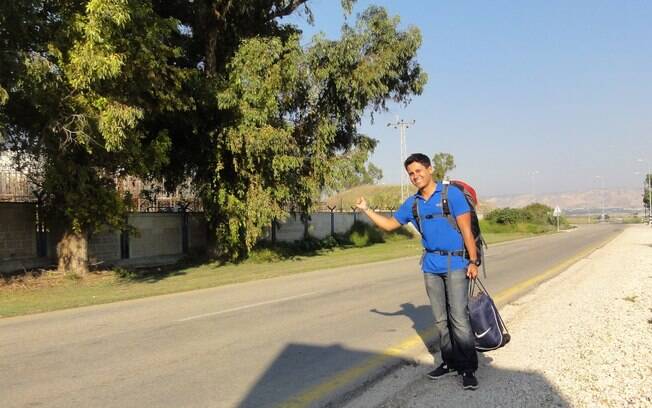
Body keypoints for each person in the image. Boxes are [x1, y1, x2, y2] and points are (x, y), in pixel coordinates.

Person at [355, 153, 480, 390]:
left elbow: (466, 230)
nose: (415, 176)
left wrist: (473, 261)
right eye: (411, 173)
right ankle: (449, 362)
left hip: (456, 263)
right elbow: (390, 225)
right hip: (431, 266)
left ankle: (468, 368)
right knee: (442, 320)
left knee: (459, 318)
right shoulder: (413, 204)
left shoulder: (450, 194)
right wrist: (366, 209)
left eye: (418, 171)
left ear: (430, 169)